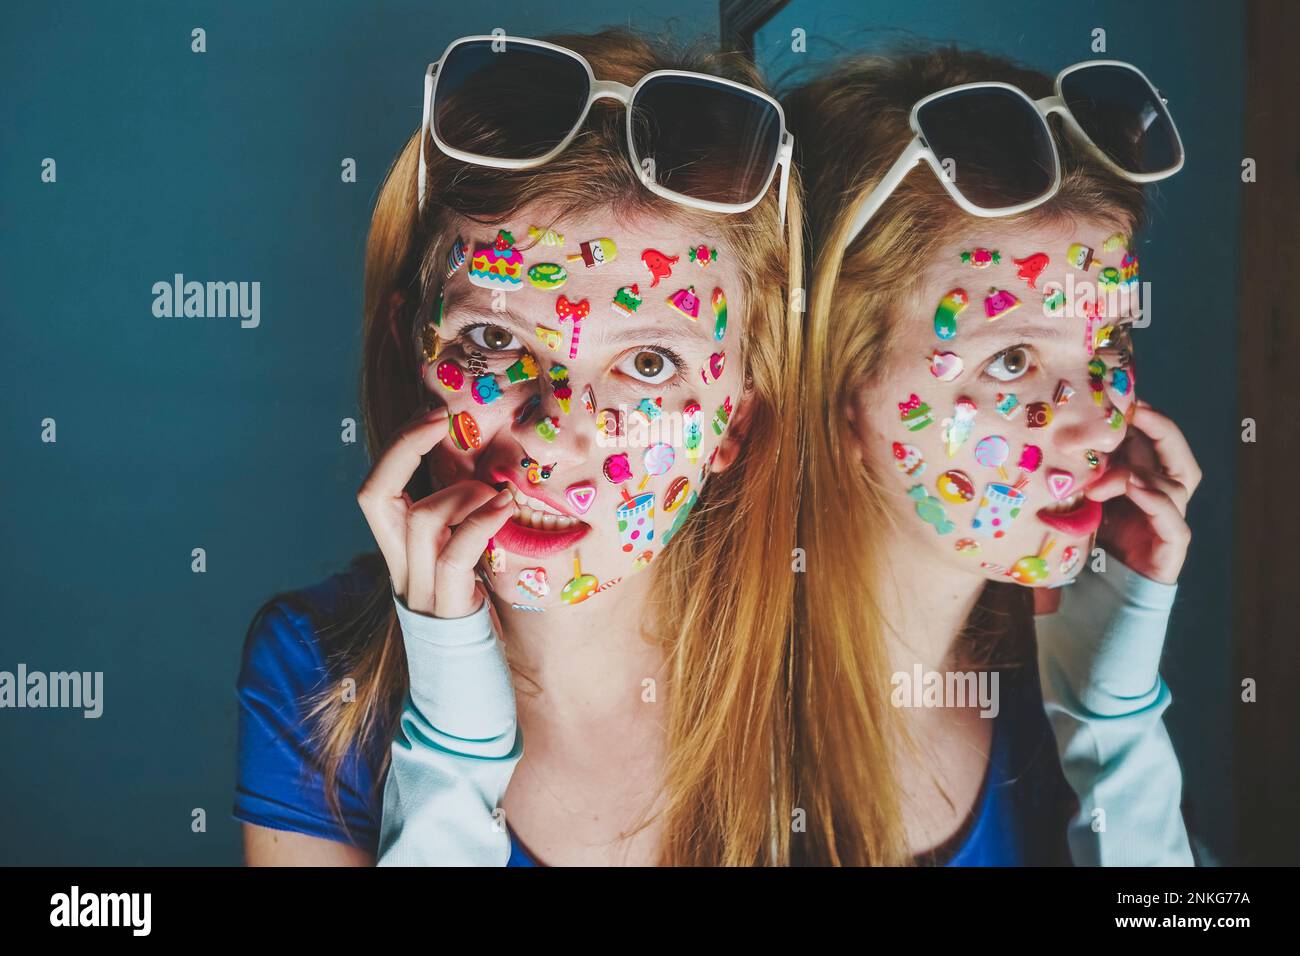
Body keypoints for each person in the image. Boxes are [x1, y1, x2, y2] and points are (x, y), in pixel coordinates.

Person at [234, 29, 806, 865]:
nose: (553, 431)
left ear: (735, 422)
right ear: (410, 350)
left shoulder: (824, 674)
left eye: (649, 363)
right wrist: (453, 740)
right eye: (495, 339)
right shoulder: (319, 678)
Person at [782, 48, 1202, 864]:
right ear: (832, 388)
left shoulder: (1054, 688)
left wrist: (1113, 726)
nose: (1094, 425)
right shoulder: (689, 748)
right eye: (1010, 361)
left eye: (1109, 340)